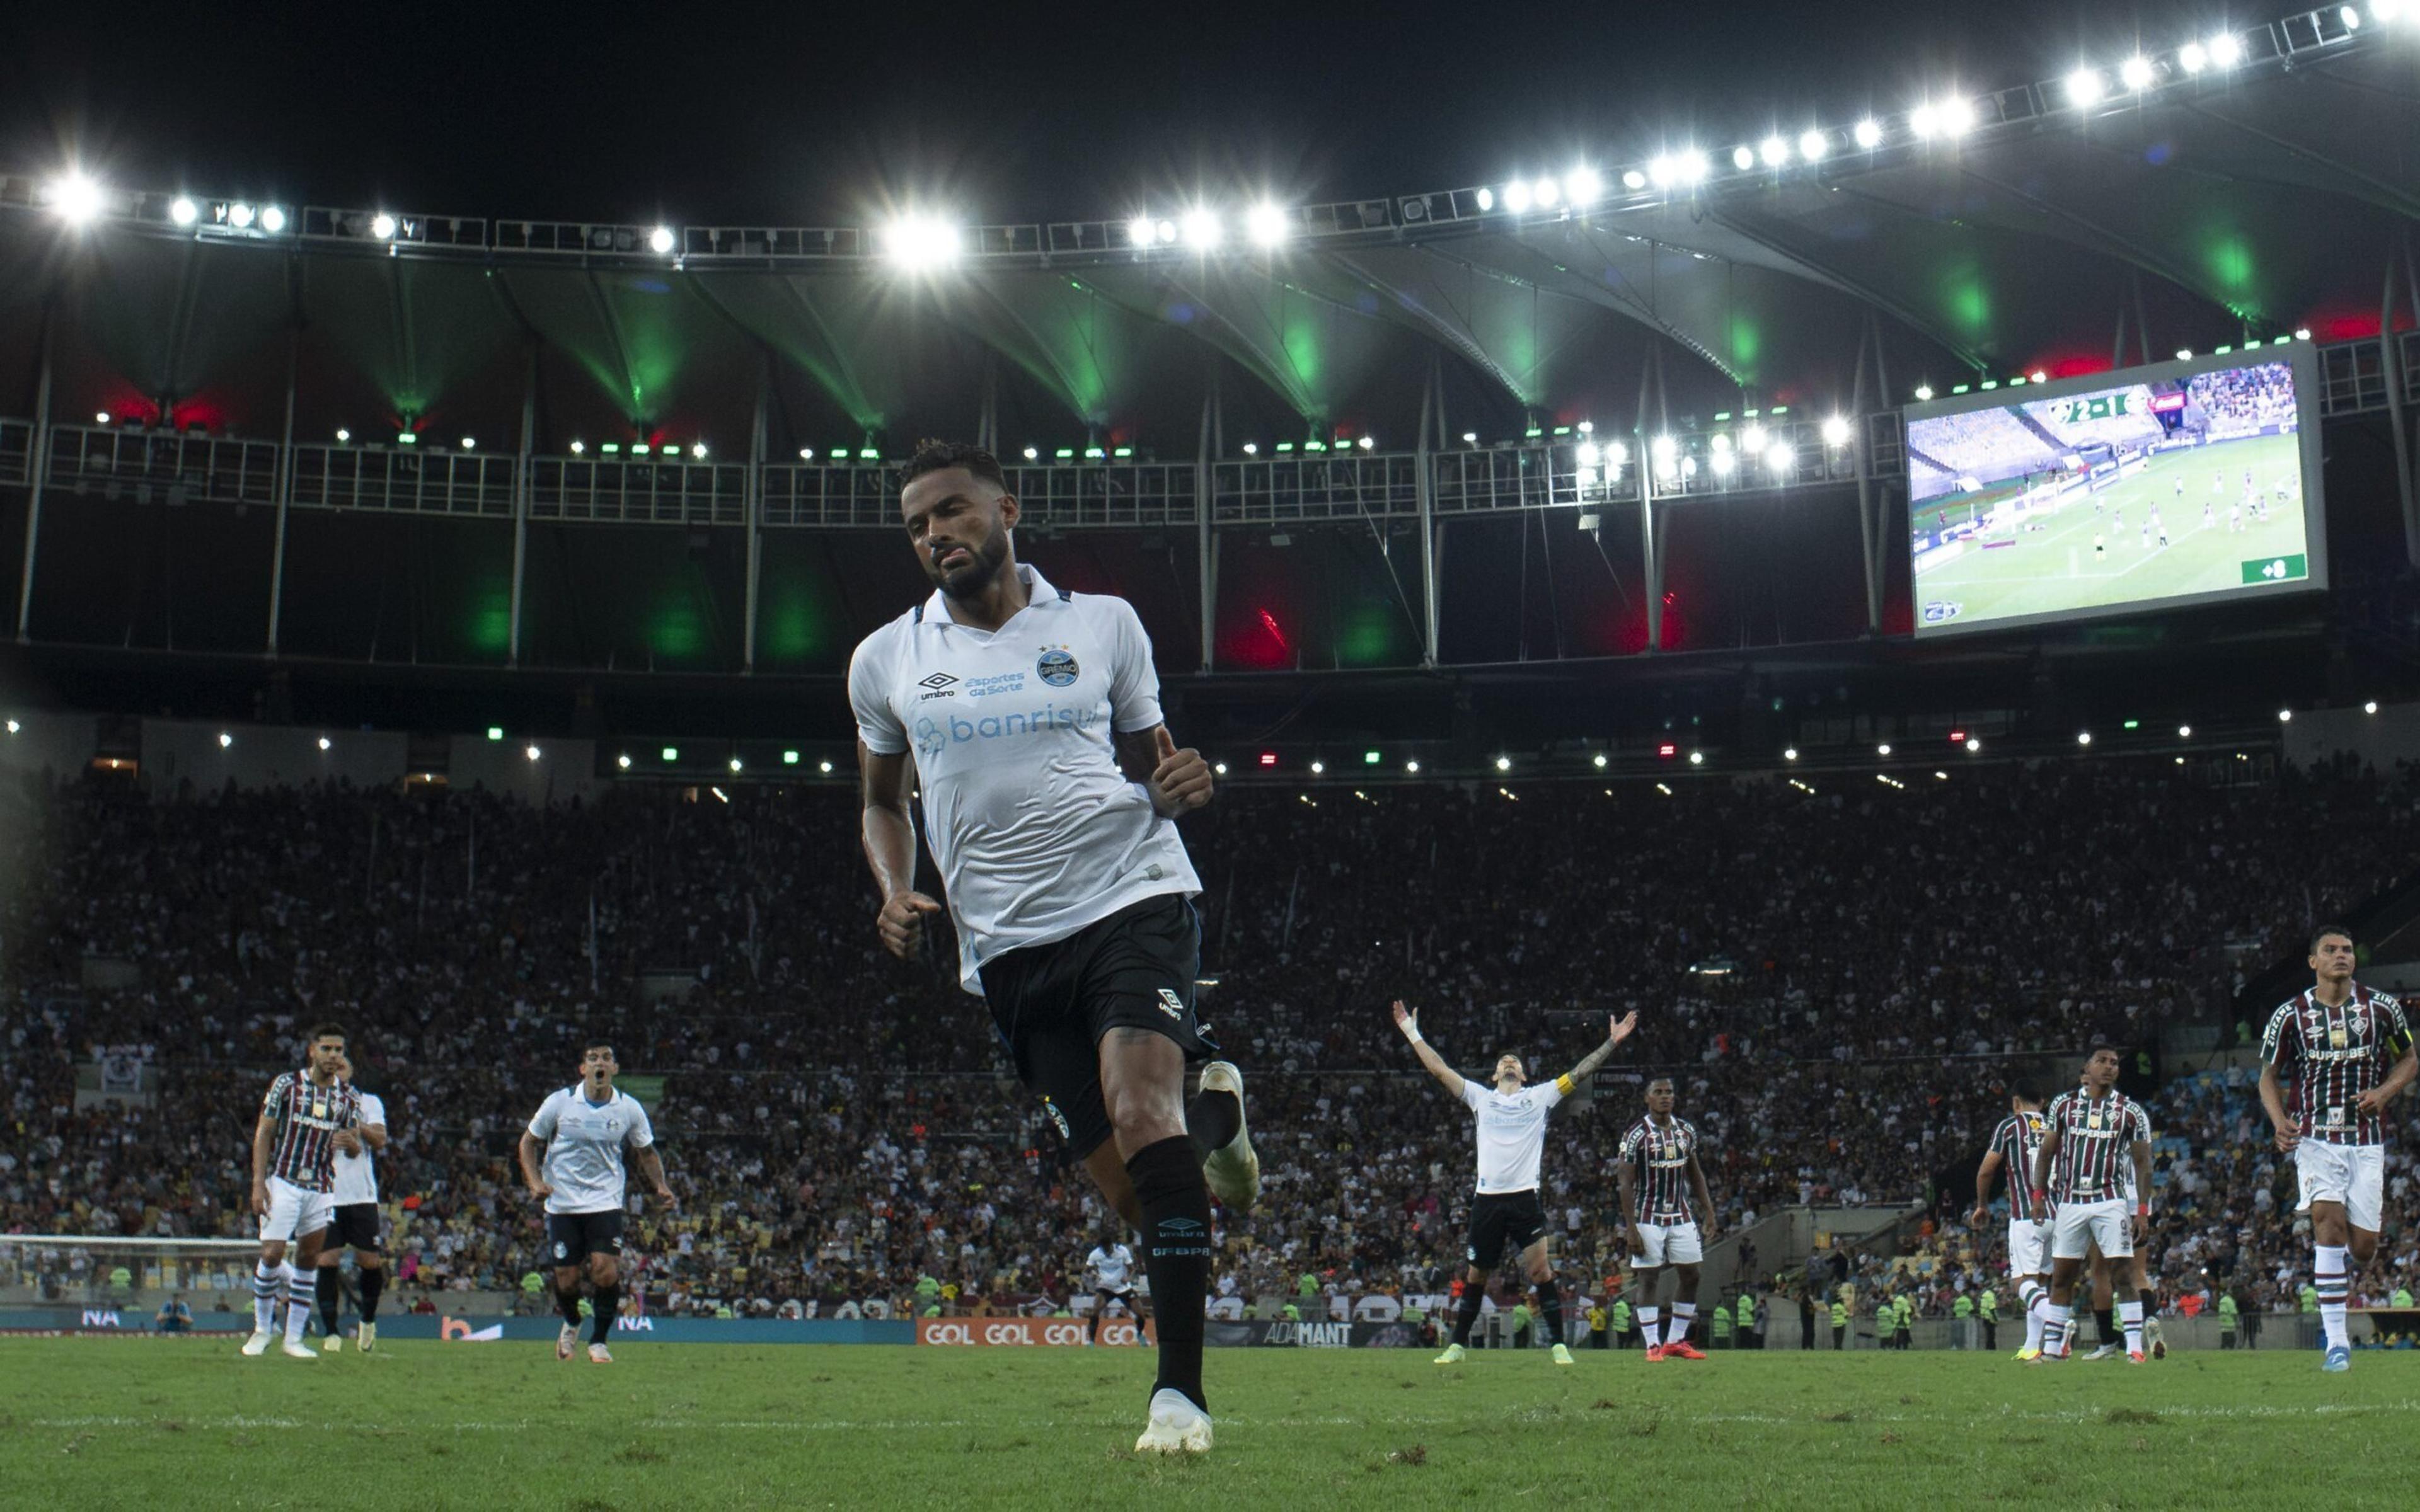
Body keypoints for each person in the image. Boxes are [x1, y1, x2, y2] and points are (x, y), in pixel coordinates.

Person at [850, 440, 1256, 1457]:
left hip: (1130, 895)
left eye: (952, 510)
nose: (935, 534)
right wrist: (895, 889)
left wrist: (1184, 785)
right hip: (1008, 952)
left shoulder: (1104, 624)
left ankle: (1182, 1399)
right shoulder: (886, 657)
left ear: (1006, 509)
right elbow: (878, 802)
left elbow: (1157, 763)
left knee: (1137, 1107)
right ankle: (1220, 1126)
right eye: (916, 524)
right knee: (1130, 1187)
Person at [1397, 1000, 1637, 1368]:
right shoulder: (1480, 1098)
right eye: (1503, 1063)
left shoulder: (1540, 1096)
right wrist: (1412, 1033)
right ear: (1494, 1076)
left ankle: (1559, 1345)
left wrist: (1612, 1043)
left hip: (1525, 1198)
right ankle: (1458, 1345)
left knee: (1541, 1271)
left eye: (1515, 1063)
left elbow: (1579, 1071)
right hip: (1487, 1200)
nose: (1509, 1064)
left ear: (1524, 1076)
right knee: (1477, 1275)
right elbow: (1439, 1069)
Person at [2256, 925, 2417, 1373]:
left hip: (2366, 1141)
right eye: (2330, 950)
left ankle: (2342, 1263)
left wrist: (2384, 1093)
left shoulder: (2382, 1009)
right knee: (2327, 1227)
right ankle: (2337, 1346)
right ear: (2314, 962)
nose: (2341, 956)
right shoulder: (2290, 1015)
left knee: (2363, 1248)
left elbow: (2410, 1058)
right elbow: (2268, 1074)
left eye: (2347, 950)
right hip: (2315, 1138)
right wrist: (2279, 1121)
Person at [519, 1042, 676, 1365]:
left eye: (606, 1059)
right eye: (593, 1059)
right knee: (567, 1278)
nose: (599, 1064)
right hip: (562, 1202)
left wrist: (660, 1185)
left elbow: (646, 1152)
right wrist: (535, 1182)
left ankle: (600, 1341)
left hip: (605, 1200)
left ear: (614, 1069)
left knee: (605, 1271)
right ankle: (573, 1322)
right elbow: (528, 1142)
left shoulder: (628, 1108)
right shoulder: (560, 1103)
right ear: (583, 1069)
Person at [2027, 1042, 2155, 1362]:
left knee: (2123, 1275)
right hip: (2070, 1201)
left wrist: (2141, 1210)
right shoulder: (2063, 1106)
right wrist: (2039, 1196)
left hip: (2111, 1201)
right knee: (2062, 1277)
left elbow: (2144, 1164)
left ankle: (2136, 1350)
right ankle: (2054, 1350)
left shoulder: (2130, 1111)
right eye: (2103, 1061)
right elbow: (2046, 1153)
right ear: (2087, 1068)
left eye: (2114, 1062)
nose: (2110, 1066)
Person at [245, 1024, 364, 1360]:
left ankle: (293, 1338)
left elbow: (353, 1144)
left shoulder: (348, 1097)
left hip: (323, 1188)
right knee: (271, 1253)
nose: (333, 1056)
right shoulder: (287, 1085)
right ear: (312, 1050)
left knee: (309, 1259)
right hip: (284, 1181)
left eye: (339, 1050)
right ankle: (262, 1330)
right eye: (326, 1049)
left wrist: (351, 1144)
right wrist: (258, 1182)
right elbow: (264, 1132)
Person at [1617, 1076, 1720, 1362]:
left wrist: (1709, 1211)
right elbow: (1624, 1183)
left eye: (1669, 1092)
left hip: (1681, 1214)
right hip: (1647, 1215)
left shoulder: (1686, 1131)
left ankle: (1674, 1341)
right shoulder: (1635, 1134)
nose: (1665, 1096)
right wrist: (1631, 1228)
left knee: (1692, 1275)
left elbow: (1695, 1174)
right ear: (1647, 1098)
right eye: (1658, 1092)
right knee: (1649, 1277)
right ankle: (1652, 1345)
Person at [1971, 1077, 2052, 1360]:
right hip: (2059, 1217)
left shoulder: (2009, 1127)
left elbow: (1986, 1170)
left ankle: (2059, 1324)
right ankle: (2033, 1347)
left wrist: (1982, 1205)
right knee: (2040, 1284)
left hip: (2026, 1214)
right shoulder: (2057, 1126)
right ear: (2042, 1102)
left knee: (2022, 1283)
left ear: (2015, 1102)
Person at [314, 1052, 389, 1353]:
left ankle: (367, 1321)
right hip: (325, 1194)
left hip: (360, 1196)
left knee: (369, 1262)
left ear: (351, 1070)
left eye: (343, 1064)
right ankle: (331, 1333)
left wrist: (358, 1131)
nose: (337, 1068)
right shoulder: (315, 1103)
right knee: (326, 1261)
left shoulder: (369, 1102)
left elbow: (381, 1139)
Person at [1083, 1232, 1148, 1347]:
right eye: (1104, 1249)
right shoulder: (1096, 1254)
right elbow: (1087, 1270)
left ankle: (1140, 1335)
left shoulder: (1122, 1251)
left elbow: (1132, 1269)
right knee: (1095, 1311)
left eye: (1108, 1248)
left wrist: (1128, 1278)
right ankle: (1092, 1341)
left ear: (1111, 1245)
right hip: (1105, 1287)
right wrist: (1095, 1274)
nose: (1106, 1251)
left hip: (1123, 1288)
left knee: (1140, 1314)